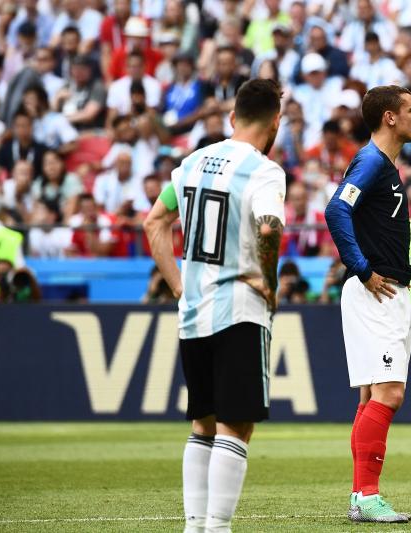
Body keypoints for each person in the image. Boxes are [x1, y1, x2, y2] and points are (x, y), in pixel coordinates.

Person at [143, 79, 286, 533]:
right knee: (235, 427)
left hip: (194, 310)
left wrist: (179, 286)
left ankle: (194, 526)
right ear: (275, 122)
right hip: (238, 309)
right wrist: (269, 281)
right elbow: (268, 229)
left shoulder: (191, 162)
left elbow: (155, 222)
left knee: (201, 423)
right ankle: (218, 527)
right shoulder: (264, 171)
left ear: (232, 117)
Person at [324, 85, 411, 523]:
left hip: (391, 291)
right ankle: (366, 495)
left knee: (371, 395)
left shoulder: (384, 165)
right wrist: (362, 268)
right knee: (389, 393)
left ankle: (359, 496)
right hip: (374, 291)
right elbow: (335, 211)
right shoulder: (369, 162)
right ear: (389, 117)